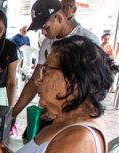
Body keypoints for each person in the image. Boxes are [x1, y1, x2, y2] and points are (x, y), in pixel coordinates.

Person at [13, 0, 98, 134]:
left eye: (45, 26)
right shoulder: (47, 43)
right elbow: (34, 81)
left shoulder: (86, 40)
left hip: (74, 120)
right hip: (51, 110)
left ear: (58, 18)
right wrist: (14, 113)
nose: (43, 31)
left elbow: (92, 86)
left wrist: (61, 110)